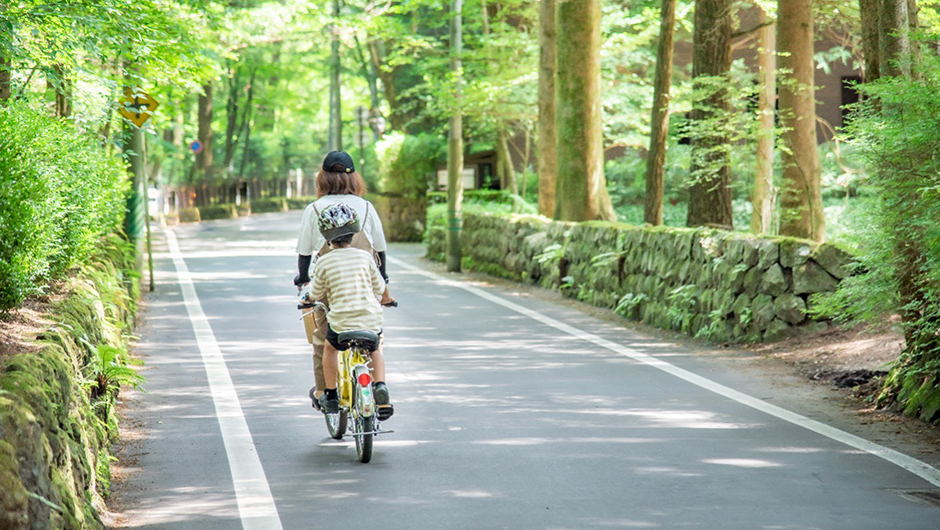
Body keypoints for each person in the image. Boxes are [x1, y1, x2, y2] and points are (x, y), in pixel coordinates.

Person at [294, 151, 392, 408]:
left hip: (330, 281)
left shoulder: (314, 208)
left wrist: (302, 280)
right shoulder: (367, 207)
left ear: (322, 178)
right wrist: (383, 284)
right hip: (364, 275)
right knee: (374, 338)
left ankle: (325, 393)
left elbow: (305, 252)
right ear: (354, 178)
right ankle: (376, 387)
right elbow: (380, 250)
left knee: (323, 337)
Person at [306, 202, 394, 418]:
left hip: (341, 323)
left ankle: (332, 394)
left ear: (327, 236)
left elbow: (315, 292)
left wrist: (306, 299)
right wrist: (387, 299)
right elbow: (380, 286)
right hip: (370, 320)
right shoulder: (365, 257)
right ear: (353, 234)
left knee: (330, 348)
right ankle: (380, 387)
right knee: (376, 346)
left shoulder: (324, 262)